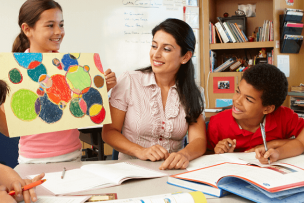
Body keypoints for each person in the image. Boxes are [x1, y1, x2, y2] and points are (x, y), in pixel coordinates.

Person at [0, 0, 116, 164]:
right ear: (27, 29)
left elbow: (79, 109)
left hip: (73, 156)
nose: (58, 31)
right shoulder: (12, 71)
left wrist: (103, 88)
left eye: (61, 25)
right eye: (50, 25)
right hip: (33, 160)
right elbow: (8, 129)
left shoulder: (71, 65)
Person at [102, 18, 206, 170]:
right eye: (154, 46)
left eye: (166, 49)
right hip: (130, 171)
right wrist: (141, 151)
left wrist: (184, 155)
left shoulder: (194, 91)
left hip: (170, 172)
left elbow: (199, 139)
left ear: (185, 57)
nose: (156, 54)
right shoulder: (129, 81)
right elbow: (109, 132)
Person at [207, 64, 304, 154]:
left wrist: (274, 144)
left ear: (267, 109)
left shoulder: (284, 116)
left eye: (248, 99)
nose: (237, 101)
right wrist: (218, 153)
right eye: (238, 91)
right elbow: (205, 156)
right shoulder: (217, 124)